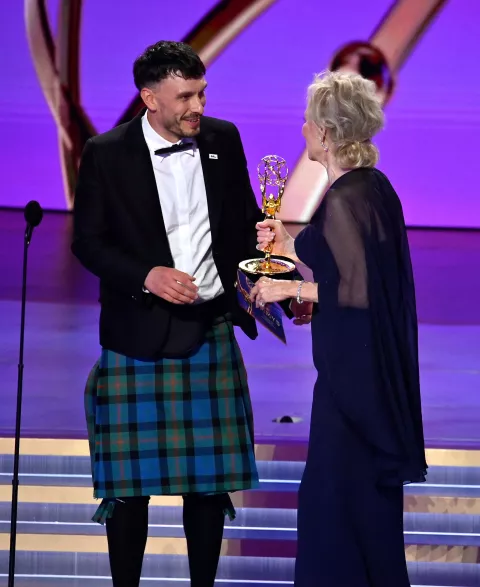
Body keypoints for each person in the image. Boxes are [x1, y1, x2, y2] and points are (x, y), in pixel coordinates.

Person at [72, 40, 265, 587]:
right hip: (138, 335)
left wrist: (266, 251)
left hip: (210, 328)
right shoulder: (106, 153)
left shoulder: (222, 140)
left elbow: (243, 221)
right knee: (129, 491)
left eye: (201, 92)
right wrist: (146, 276)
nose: (196, 106)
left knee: (208, 487)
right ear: (148, 98)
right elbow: (88, 243)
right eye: (185, 96)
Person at [251, 70, 427, 587]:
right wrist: (287, 248)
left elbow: (358, 293)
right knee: (353, 510)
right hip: (359, 381)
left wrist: (290, 290)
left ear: (326, 133)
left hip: (354, 394)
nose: (302, 127)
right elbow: (347, 272)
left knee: (335, 507)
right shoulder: (368, 187)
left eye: (308, 120)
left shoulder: (349, 197)